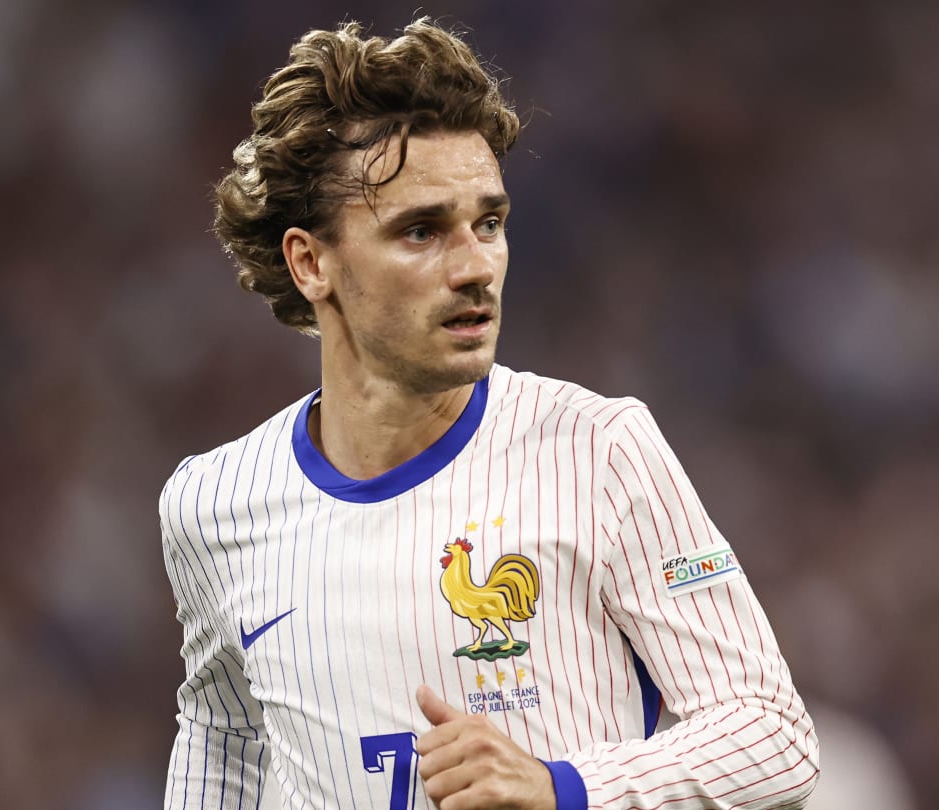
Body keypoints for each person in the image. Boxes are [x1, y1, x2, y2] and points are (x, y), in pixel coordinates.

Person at [159, 17, 819, 810]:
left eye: (489, 223)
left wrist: (563, 788)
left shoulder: (599, 450)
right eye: (421, 231)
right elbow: (222, 740)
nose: (476, 266)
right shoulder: (212, 506)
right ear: (310, 262)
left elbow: (773, 735)